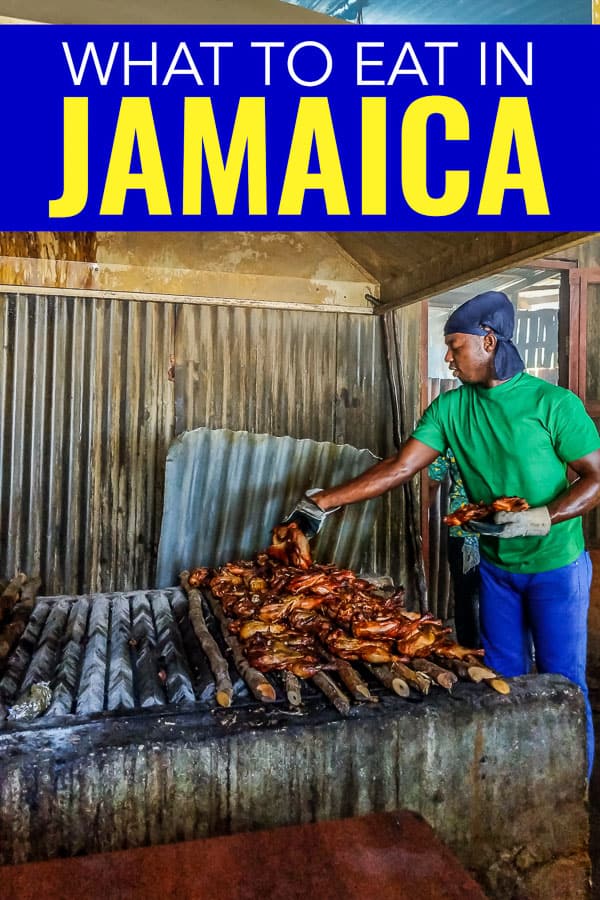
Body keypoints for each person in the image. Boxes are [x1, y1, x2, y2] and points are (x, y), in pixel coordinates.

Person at [285, 290, 600, 778]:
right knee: (500, 681)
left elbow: (596, 478)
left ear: (490, 342)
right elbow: (400, 467)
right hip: (497, 572)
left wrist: (543, 517)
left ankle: (573, 787)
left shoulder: (553, 404)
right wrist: (321, 503)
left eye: (455, 346)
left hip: (556, 568)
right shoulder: (450, 410)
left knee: (564, 683)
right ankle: (513, 780)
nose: (447, 358)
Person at [428, 448, 480, 648]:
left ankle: (471, 654)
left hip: (464, 532)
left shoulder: (455, 430)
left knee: (467, 597)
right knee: (501, 597)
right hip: (504, 529)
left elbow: (431, 480)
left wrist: (424, 513)